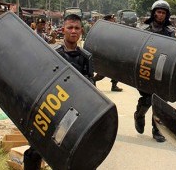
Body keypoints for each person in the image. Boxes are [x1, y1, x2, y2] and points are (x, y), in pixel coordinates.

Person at [24, 13, 95, 170]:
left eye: (77, 28)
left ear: (81, 31)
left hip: (71, 114)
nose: (73, 31)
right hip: (50, 109)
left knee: (64, 151)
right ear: (63, 30)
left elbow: (91, 87)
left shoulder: (86, 57)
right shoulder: (53, 53)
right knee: (35, 150)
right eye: (70, 27)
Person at [134, 0, 175, 143]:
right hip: (145, 69)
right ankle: (139, 115)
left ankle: (157, 130)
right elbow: (137, 50)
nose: (161, 15)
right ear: (154, 13)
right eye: (158, 12)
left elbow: (173, 53)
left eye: (164, 12)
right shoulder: (144, 29)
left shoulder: (170, 32)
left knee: (159, 102)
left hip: (161, 71)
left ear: (166, 15)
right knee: (146, 100)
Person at [101, 14, 123, 92]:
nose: (114, 20)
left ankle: (114, 85)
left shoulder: (113, 28)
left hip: (113, 53)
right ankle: (93, 81)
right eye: (112, 19)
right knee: (103, 72)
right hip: (106, 53)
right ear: (108, 20)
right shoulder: (104, 29)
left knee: (116, 69)